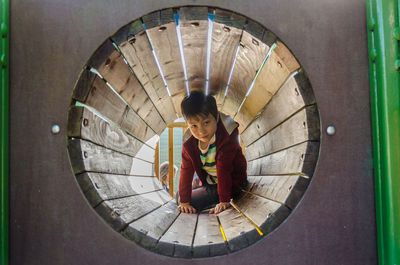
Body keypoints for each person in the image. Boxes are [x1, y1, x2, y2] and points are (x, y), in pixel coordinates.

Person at [177, 91, 247, 215]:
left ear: (217, 117)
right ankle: (207, 196)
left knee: (191, 200)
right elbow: (186, 170)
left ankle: (215, 200)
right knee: (181, 197)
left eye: (206, 122)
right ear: (188, 125)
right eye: (194, 126)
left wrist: (224, 200)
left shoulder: (226, 135)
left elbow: (224, 168)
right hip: (212, 182)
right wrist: (184, 202)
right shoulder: (189, 143)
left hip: (233, 182)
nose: (201, 131)